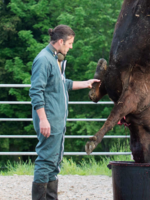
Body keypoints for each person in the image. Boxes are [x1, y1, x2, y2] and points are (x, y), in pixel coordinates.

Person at [29, 25, 99, 200]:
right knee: (46, 160)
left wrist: (85, 83)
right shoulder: (43, 60)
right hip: (49, 119)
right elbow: (36, 92)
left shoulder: (55, 60)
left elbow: (62, 84)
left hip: (57, 119)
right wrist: (43, 120)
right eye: (70, 43)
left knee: (54, 162)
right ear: (60, 41)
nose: (71, 47)